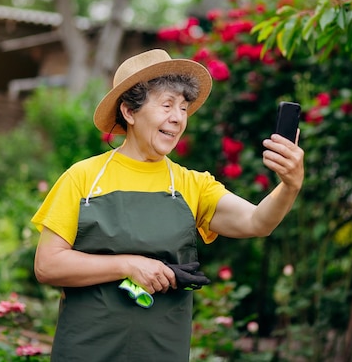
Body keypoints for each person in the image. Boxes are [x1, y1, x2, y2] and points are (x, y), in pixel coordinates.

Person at [32, 48, 304, 361]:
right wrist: (128, 265)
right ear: (130, 112)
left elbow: (258, 222)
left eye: (184, 108)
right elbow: (47, 265)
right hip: (86, 351)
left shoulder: (193, 185)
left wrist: (290, 185)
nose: (177, 118)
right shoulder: (83, 178)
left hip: (162, 351)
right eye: (166, 105)